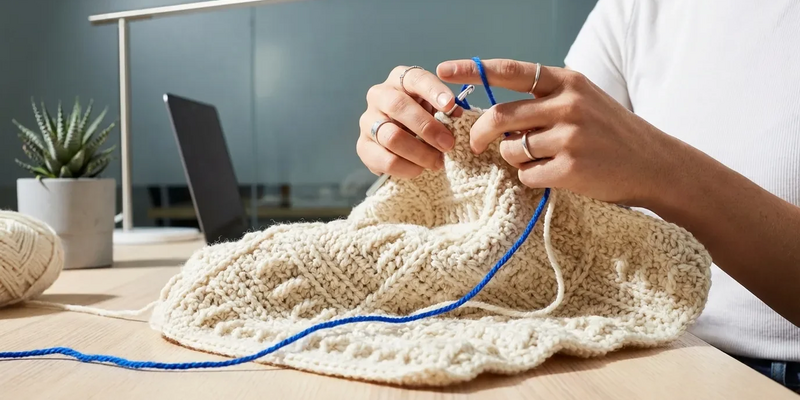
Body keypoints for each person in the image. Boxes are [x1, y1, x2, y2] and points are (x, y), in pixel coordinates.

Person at [355, 0, 800, 393]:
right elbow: (558, 179)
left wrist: (664, 170)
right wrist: (414, 148)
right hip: (649, 350)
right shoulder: (637, 8)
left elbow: (625, 154)